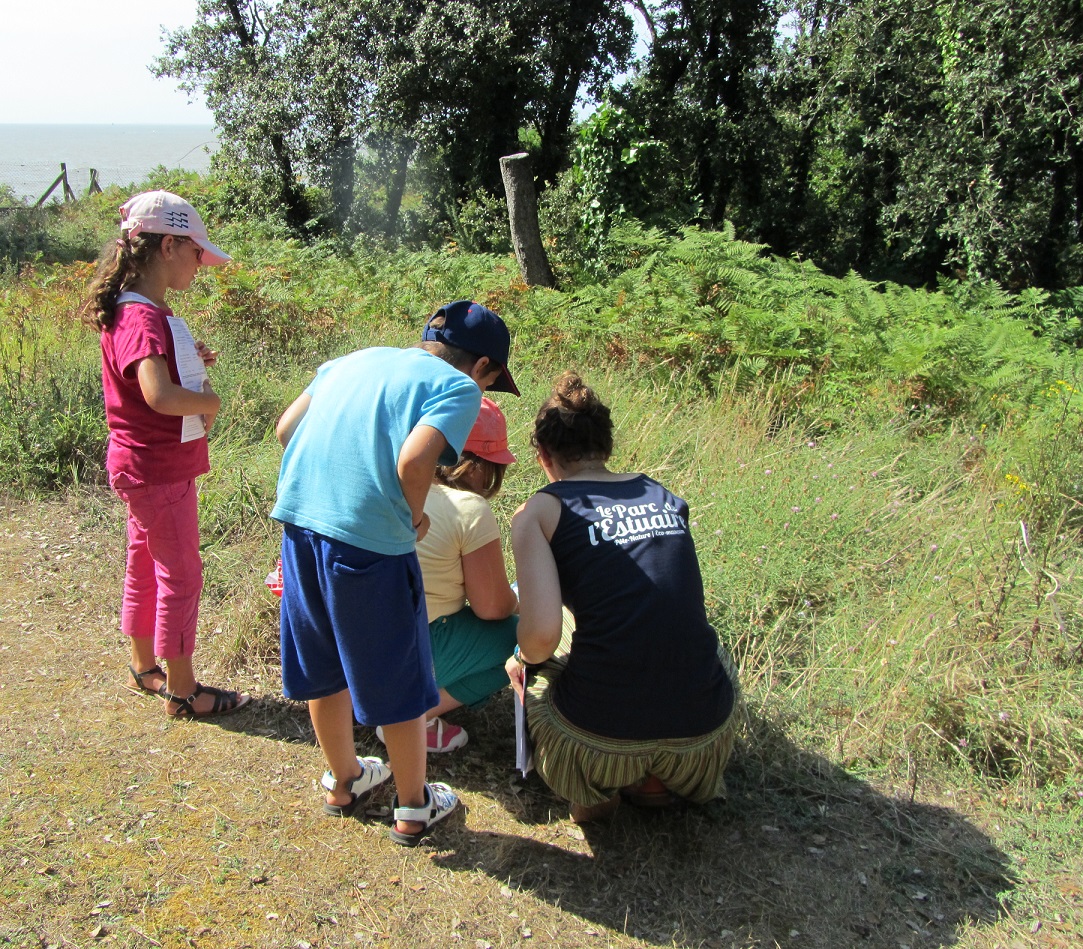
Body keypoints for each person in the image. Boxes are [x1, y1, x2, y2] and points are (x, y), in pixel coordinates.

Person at [272, 300, 518, 846]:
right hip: (370, 543)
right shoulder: (459, 388)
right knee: (401, 671)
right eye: (494, 380)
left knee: (325, 658)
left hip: (300, 524)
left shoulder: (354, 360)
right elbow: (414, 463)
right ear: (485, 368)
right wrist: (411, 513)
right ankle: (413, 806)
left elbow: (286, 428)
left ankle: (345, 782)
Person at [507, 372, 739, 823]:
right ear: (607, 447)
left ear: (543, 455)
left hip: (595, 745)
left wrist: (519, 657)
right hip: (703, 742)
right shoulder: (666, 497)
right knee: (713, 647)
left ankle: (593, 793)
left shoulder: (539, 510)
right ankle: (655, 781)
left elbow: (538, 638)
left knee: (532, 657)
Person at [81, 190, 250, 719]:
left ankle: (143, 667)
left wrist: (187, 361)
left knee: (144, 565)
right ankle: (184, 689)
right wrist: (210, 400)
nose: (201, 263)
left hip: (137, 464)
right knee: (181, 572)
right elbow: (158, 396)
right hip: (159, 470)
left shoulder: (136, 310)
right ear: (169, 244)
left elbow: (143, 380)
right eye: (197, 252)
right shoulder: (145, 317)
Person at [376, 397, 519, 754]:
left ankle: (363, 703)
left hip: (357, 644)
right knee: (525, 637)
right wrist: (521, 598)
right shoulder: (468, 508)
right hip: (416, 646)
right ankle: (414, 716)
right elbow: (491, 608)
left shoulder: (382, 481)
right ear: (471, 465)